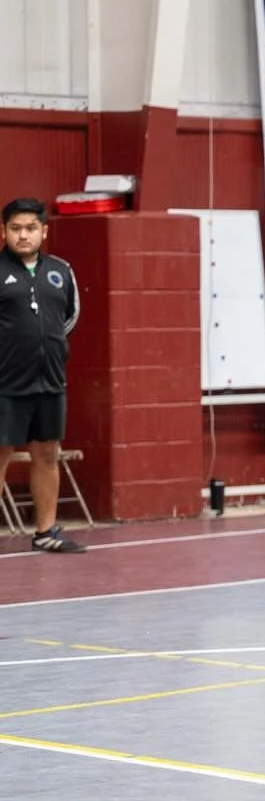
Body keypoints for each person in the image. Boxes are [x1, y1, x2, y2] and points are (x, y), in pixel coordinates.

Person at [0, 197, 84, 553]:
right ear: (3, 231)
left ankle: (46, 531)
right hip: (5, 383)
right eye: (16, 228)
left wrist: (42, 343)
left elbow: (69, 317)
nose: (23, 235)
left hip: (49, 380)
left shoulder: (61, 271)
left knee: (47, 454)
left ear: (44, 231)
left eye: (31, 228)